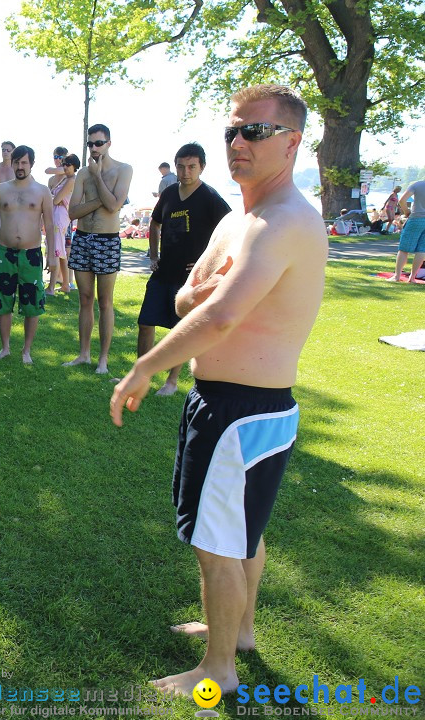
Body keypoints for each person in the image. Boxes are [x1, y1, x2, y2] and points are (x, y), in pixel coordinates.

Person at [110, 84, 328, 697]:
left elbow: (221, 318)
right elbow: (186, 297)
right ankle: (240, 632)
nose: (237, 143)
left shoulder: (283, 222)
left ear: (291, 142)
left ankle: (218, 670)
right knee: (242, 534)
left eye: (254, 132)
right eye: (231, 131)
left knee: (216, 544)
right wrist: (208, 295)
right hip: (242, 407)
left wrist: (145, 367)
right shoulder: (239, 220)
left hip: (242, 411)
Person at [137, 142, 231, 396]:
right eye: (181, 166)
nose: (185, 172)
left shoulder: (210, 198)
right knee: (146, 322)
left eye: (191, 167)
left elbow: (231, 232)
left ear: (202, 167)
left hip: (191, 278)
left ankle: (171, 382)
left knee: (181, 329)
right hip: (163, 271)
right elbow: (154, 224)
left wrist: (209, 263)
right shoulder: (168, 194)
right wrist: (154, 254)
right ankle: (140, 375)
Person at [65, 124, 134, 374]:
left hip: (107, 240)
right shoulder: (82, 173)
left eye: (98, 143)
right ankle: (84, 354)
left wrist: (97, 177)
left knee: (105, 302)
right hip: (83, 238)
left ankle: (102, 360)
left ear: (109, 143)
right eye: (90, 144)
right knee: (84, 299)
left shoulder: (123, 170)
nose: (94, 148)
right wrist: (98, 201)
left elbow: (115, 205)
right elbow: (73, 212)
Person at [0, 145, 55, 365]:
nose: (20, 166)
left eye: (24, 162)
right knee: (3, 301)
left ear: (32, 164)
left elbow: (49, 225)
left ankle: (26, 350)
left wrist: (51, 254)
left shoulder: (42, 191)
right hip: (5, 253)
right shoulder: (1, 190)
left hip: (31, 254)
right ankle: (5, 348)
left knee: (32, 304)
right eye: (17, 162)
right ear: (12, 163)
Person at [48, 151, 80, 297]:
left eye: (68, 164)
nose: (65, 166)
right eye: (64, 164)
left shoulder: (72, 180)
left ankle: (52, 285)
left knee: (57, 251)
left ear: (75, 166)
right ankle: (65, 284)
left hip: (61, 216)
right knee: (60, 252)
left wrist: (52, 197)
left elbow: (55, 199)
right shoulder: (65, 179)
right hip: (57, 214)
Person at [391, 179, 425, 281]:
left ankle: (397, 276)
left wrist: (406, 212)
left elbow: (402, 200)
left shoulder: (417, 184)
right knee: (422, 249)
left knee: (404, 248)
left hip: (416, 218)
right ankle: (412, 277)